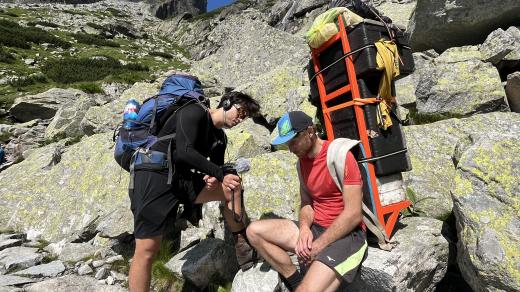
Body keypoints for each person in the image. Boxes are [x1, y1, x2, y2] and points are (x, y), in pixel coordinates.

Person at [128, 89, 261, 292]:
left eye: (245, 117)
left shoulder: (220, 138)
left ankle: (242, 246)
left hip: (180, 179)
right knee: (147, 250)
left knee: (232, 187)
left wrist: (214, 177)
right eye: (240, 112)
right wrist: (217, 173)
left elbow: (215, 171)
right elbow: (184, 151)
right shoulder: (194, 112)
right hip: (154, 174)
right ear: (226, 103)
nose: (240, 120)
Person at [246, 111, 367, 291]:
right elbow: (306, 203)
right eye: (287, 143)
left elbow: (353, 214)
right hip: (315, 228)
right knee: (253, 231)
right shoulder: (301, 163)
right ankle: (295, 282)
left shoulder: (341, 156)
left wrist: (318, 245)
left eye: (293, 141)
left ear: (310, 131)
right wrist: (303, 229)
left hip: (346, 236)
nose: (290, 148)